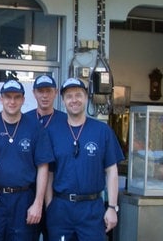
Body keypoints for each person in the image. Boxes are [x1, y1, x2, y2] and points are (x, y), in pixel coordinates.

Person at [45, 78, 124, 241]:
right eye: (69, 96)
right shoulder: (52, 132)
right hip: (61, 208)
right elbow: (48, 173)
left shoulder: (102, 131)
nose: (74, 100)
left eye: (78, 95)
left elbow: (112, 171)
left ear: (86, 97)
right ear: (63, 101)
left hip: (92, 209)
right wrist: (49, 206)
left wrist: (111, 207)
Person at [0, 79, 54, 241]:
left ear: (23, 100)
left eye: (17, 97)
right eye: (8, 97)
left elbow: (43, 167)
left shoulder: (35, 128)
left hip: (24, 200)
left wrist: (38, 203)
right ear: (0, 99)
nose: (12, 101)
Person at [25, 75, 67, 241]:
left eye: (48, 91)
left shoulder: (65, 120)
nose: (44, 95)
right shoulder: (24, 119)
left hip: (57, 195)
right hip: (28, 193)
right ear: (34, 93)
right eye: (40, 91)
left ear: (55, 93)